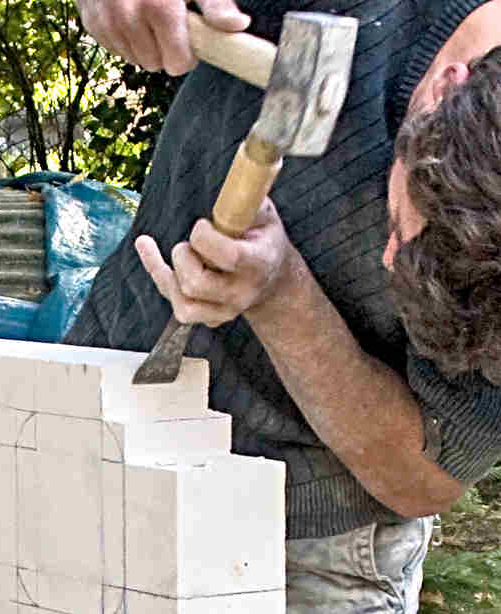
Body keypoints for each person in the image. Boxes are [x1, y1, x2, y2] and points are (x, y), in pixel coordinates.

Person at [70, 1, 501, 612]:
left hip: (309, 540)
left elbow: (426, 471)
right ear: (444, 87)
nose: (386, 263)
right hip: (99, 405)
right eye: (400, 233)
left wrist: (281, 295)